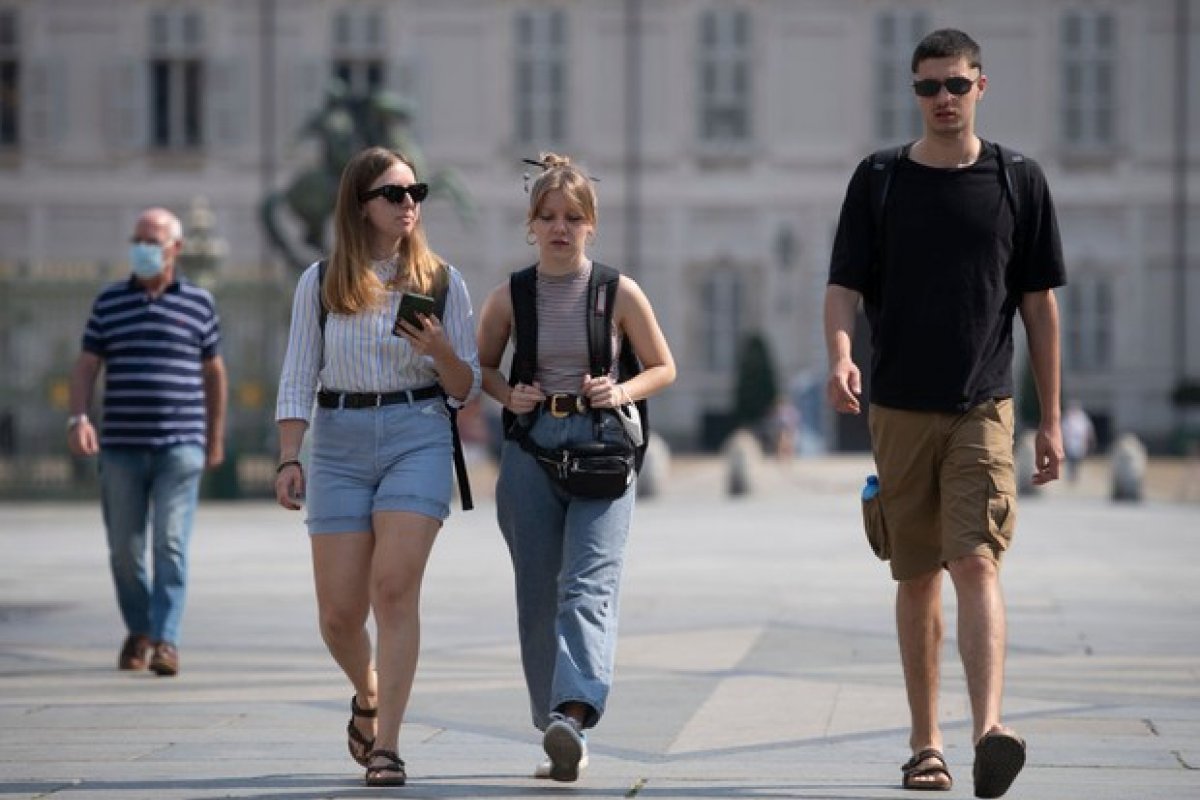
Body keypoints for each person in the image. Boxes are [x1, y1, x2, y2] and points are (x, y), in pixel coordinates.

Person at [824, 29, 1065, 798]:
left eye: (956, 85)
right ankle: (926, 745)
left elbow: (1040, 308)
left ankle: (989, 727)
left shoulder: (1017, 181)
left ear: (981, 87)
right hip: (897, 406)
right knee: (918, 573)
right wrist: (839, 354)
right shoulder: (880, 179)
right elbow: (843, 286)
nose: (942, 99)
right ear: (915, 93)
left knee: (976, 559)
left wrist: (1050, 417)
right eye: (928, 87)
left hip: (983, 405)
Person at [273, 146, 480, 787]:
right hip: (337, 443)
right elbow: (297, 375)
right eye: (394, 194)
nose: (409, 202)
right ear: (360, 205)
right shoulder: (322, 283)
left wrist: (443, 348)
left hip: (416, 435)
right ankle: (367, 693)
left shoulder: (442, 282)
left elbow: (464, 387)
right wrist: (288, 457)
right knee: (338, 614)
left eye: (415, 191)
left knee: (393, 589)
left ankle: (387, 744)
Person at [476, 153, 676, 782]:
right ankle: (555, 727)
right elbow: (480, 366)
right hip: (531, 449)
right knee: (538, 594)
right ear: (530, 224)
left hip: (603, 450)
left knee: (588, 586)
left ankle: (573, 712)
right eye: (547, 217)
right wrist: (510, 395)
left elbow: (663, 366)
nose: (559, 228)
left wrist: (620, 391)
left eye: (572, 217)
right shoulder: (511, 294)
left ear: (592, 225)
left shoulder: (617, 291)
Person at [67, 206, 227, 678]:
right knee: (123, 549)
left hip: (181, 446)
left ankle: (165, 640)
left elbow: (214, 374)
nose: (142, 248)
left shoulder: (199, 303)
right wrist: (78, 417)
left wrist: (214, 438)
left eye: (152, 240)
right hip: (120, 446)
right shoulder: (109, 302)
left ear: (175, 249)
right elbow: (85, 366)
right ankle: (139, 628)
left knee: (171, 545)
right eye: (137, 239)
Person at [1061, 400, 1096, 483]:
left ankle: (1075, 475)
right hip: (1070, 443)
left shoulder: (1082, 418)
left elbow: (1088, 430)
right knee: (1070, 460)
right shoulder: (1067, 418)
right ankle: (1071, 476)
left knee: (1077, 460)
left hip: (1080, 443)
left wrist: (1090, 440)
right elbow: (1063, 431)